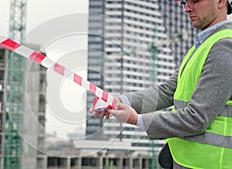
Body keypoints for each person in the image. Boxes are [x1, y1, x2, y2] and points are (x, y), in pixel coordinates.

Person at [90, 0, 232, 168]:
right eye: (185, 2)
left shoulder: (223, 47)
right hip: (187, 160)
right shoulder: (203, 45)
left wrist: (137, 119)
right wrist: (120, 101)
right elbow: (167, 91)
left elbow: (197, 117)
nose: (187, 8)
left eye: (195, 1)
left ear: (221, 1)